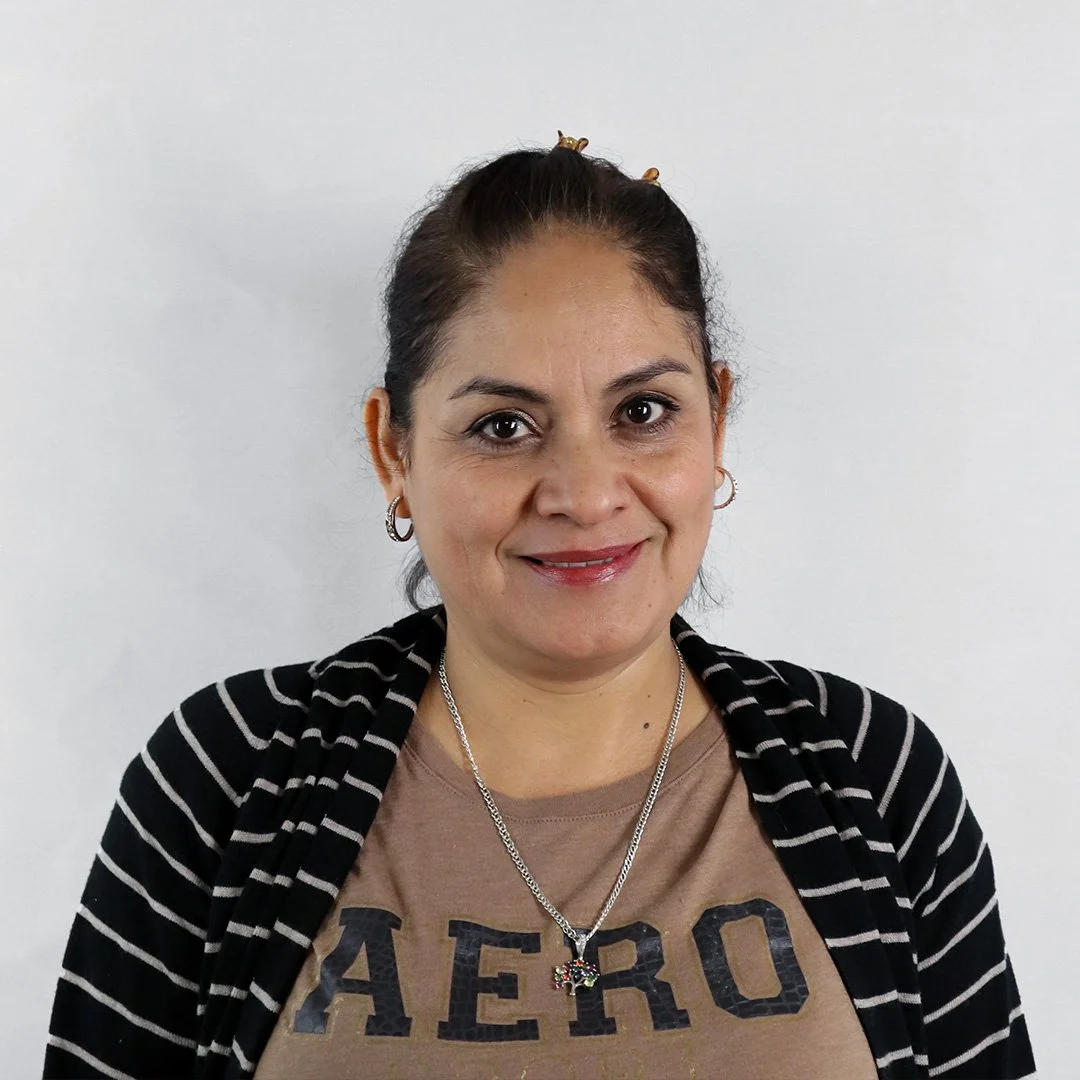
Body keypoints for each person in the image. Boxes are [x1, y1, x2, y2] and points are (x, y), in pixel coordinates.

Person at [44, 132, 1036, 1080]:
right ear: (394, 449)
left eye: (643, 412)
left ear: (717, 421)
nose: (586, 492)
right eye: (504, 424)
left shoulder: (871, 776)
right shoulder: (225, 778)